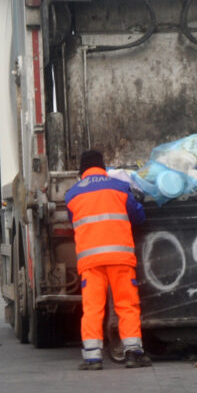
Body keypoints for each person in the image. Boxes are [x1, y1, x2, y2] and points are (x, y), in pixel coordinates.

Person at [65, 150, 150, 370]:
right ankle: (133, 353)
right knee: (126, 305)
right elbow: (138, 216)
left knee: (92, 308)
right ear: (103, 167)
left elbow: (72, 222)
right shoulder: (119, 187)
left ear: (81, 171)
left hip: (90, 261)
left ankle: (92, 357)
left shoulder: (72, 195)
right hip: (120, 258)